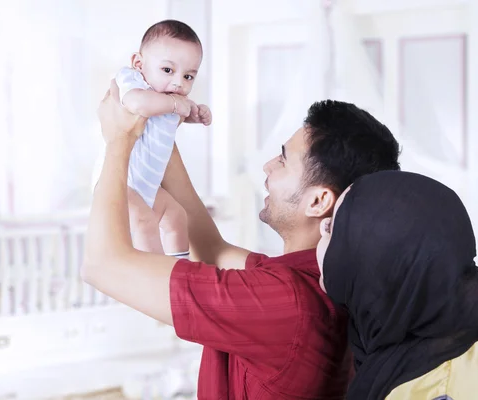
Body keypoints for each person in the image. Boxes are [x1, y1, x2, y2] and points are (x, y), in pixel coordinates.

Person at [83, 78, 400, 398]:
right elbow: (211, 248)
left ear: (318, 202)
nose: (267, 166)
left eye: (283, 160)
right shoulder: (315, 280)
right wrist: (161, 123)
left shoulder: (289, 302)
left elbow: (102, 265)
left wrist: (118, 141)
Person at [317, 170, 478, 400]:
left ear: (375, 265)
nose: (321, 226)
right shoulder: (472, 315)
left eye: (332, 230)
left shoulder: (433, 390)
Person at [91, 19, 211, 258]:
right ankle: (155, 277)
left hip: (146, 185)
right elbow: (137, 103)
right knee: (145, 221)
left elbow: (170, 115)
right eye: (168, 70)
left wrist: (194, 113)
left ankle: (180, 269)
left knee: (177, 216)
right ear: (139, 63)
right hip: (119, 183)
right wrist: (178, 104)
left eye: (188, 76)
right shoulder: (133, 81)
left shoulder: (168, 98)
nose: (178, 82)